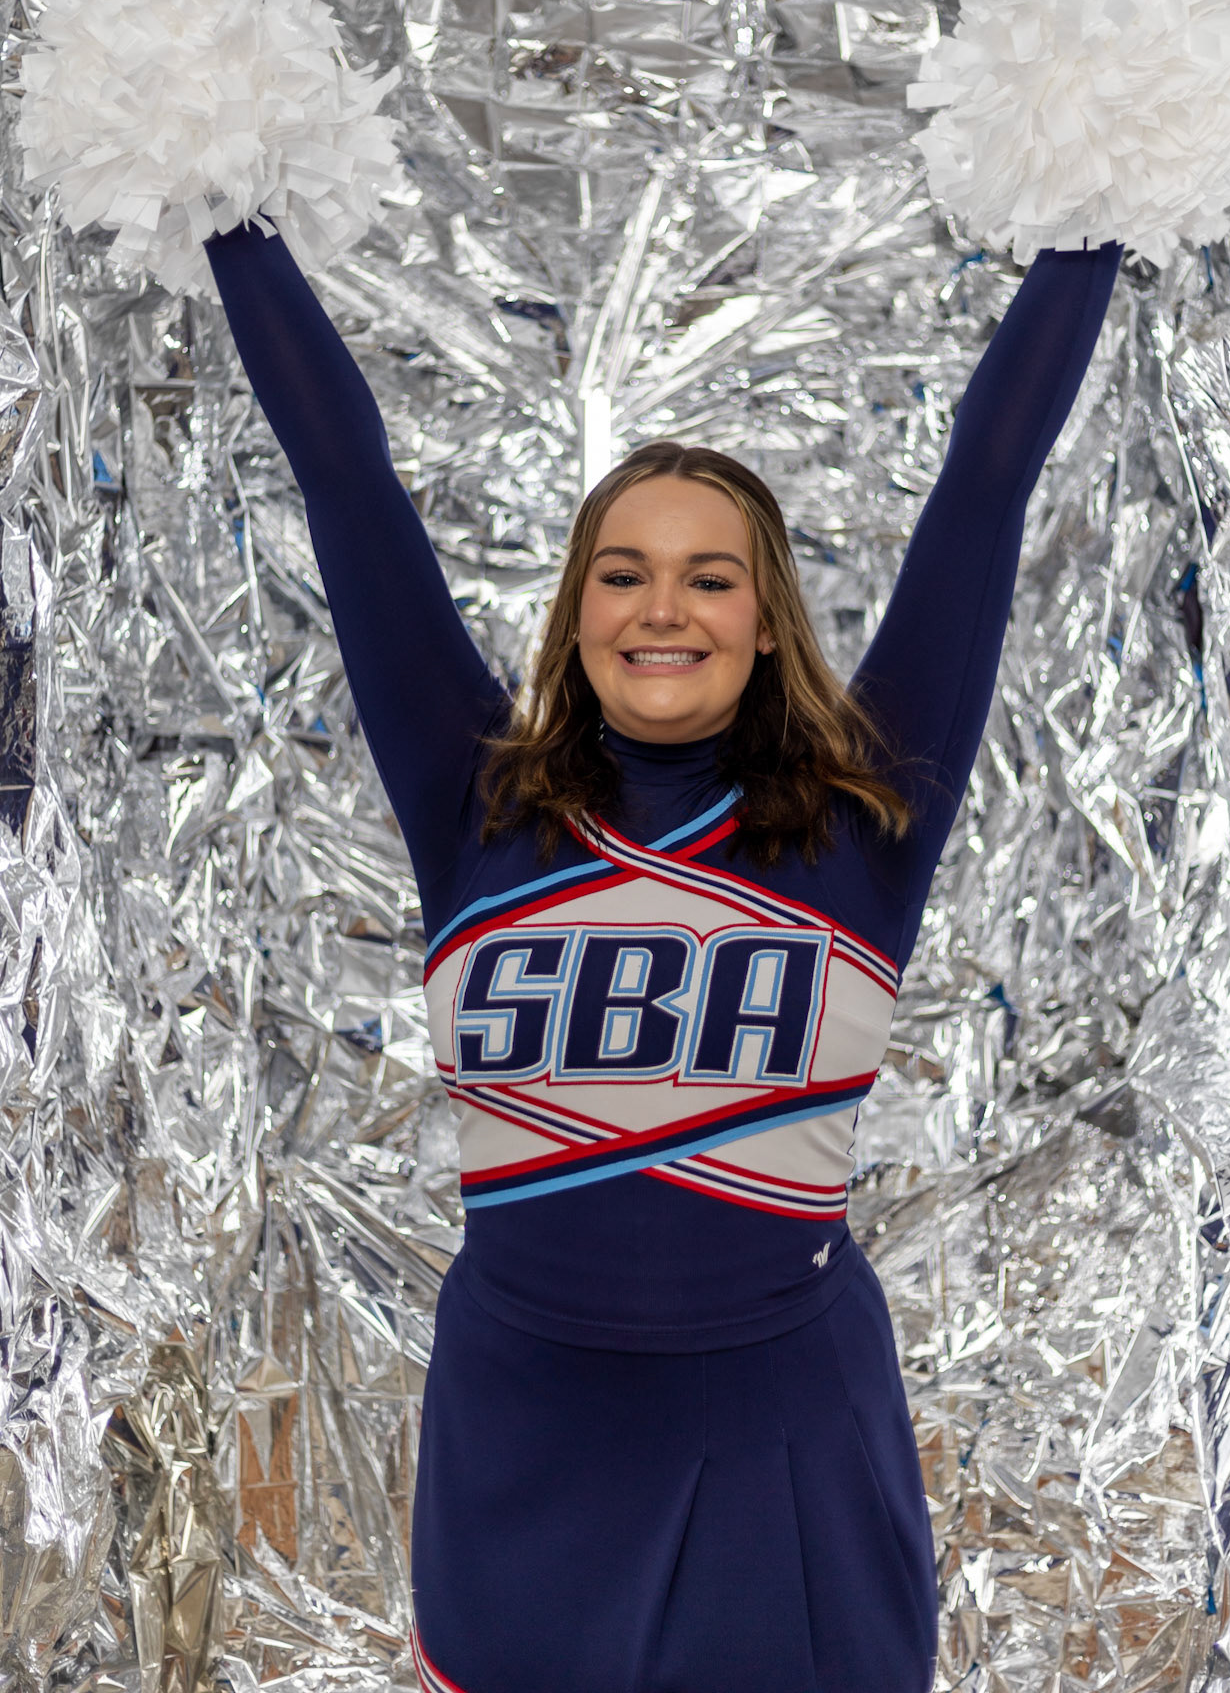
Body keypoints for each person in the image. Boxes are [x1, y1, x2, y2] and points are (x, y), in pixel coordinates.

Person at [203, 217, 1121, 1693]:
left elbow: (984, 484)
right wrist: (226, 211)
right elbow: (344, 482)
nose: (662, 609)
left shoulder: (860, 815)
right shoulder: (478, 799)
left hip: (782, 1441)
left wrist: (1094, 206)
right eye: (621, 573)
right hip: (527, 1429)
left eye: (709, 577)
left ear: (764, 623)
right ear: (576, 612)